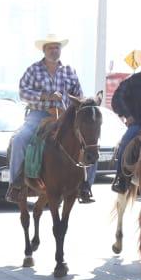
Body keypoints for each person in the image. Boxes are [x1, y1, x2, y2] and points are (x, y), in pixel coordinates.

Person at [7, 34, 93, 205]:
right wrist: (45, 96)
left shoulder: (69, 70)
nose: (54, 51)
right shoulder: (33, 70)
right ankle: (15, 185)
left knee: (89, 143)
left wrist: (81, 103)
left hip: (65, 116)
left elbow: (78, 93)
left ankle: (85, 186)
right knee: (19, 140)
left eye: (57, 48)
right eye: (51, 48)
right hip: (39, 115)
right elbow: (23, 92)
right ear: (44, 50)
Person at [109, 45, 141, 194]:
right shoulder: (132, 80)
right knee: (125, 142)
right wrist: (128, 115)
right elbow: (117, 98)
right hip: (140, 122)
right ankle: (121, 178)